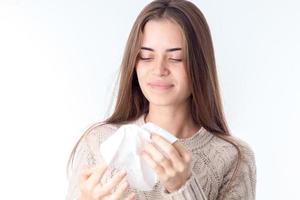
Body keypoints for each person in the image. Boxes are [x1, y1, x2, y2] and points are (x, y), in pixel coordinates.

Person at [66, 0, 256, 199]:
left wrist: (182, 188)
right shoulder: (98, 142)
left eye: (176, 59)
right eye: (146, 57)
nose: (159, 70)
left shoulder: (233, 157)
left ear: (199, 65)